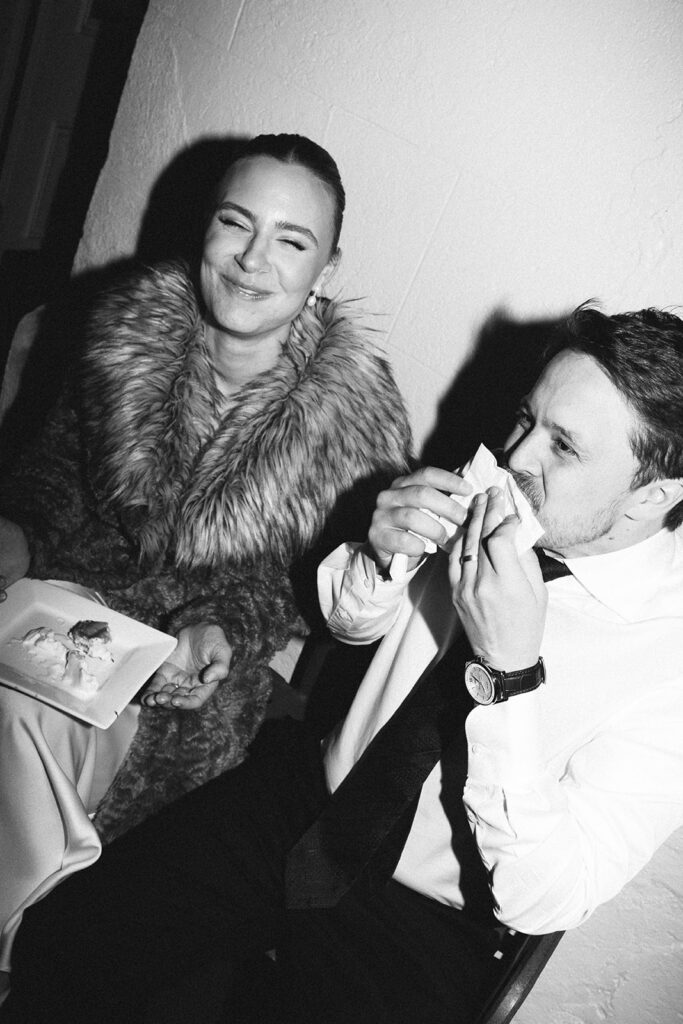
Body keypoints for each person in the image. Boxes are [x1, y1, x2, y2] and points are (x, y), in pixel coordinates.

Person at [3, 303, 682, 1024]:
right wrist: (380, 555)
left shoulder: (667, 665)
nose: (517, 457)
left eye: (563, 447)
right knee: (62, 946)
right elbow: (348, 624)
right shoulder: (493, 490)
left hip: (426, 917)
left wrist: (507, 676)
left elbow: (547, 895)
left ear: (651, 498)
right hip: (306, 801)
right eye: (528, 418)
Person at [0, 133, 411, 985]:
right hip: (61, 597)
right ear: (206, 228)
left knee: (26, 722)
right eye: (237, 224)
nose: (254, 260)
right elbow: (52, 473)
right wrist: (21, 532)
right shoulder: (122, 332)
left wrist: (218, 625)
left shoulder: (355, 418)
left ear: (326, 269)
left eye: (291, 241)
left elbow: (309, 588)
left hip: (197, 668)